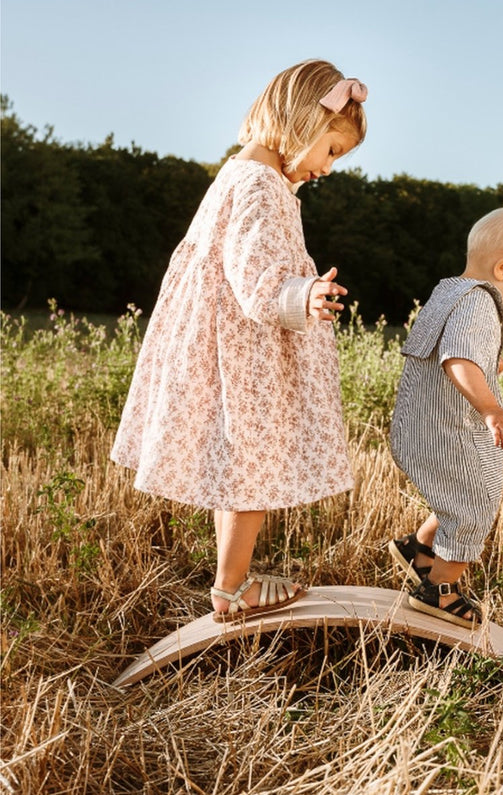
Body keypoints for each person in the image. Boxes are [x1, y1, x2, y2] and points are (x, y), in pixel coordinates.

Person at [111, 59, 367, 622]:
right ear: (300, 123)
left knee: (240, 464)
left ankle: (232, 582)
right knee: (253, 466)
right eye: (331, 151)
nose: (328, 169)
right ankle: (231, 590)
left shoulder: (237, 173)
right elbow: (255, 278)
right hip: (245, 350)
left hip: (227, 344)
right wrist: (304, 297)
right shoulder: (260, 186)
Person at [388, 206, 503, 628]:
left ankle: (420, 548)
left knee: (463, 496)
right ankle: (439, 591)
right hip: (445, 431)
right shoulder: (480, 304)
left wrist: (489, 366)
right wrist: (491, 407)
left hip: (421, 426)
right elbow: (459, 358)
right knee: (475, 505)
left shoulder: (450, 292)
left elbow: (448, 352)